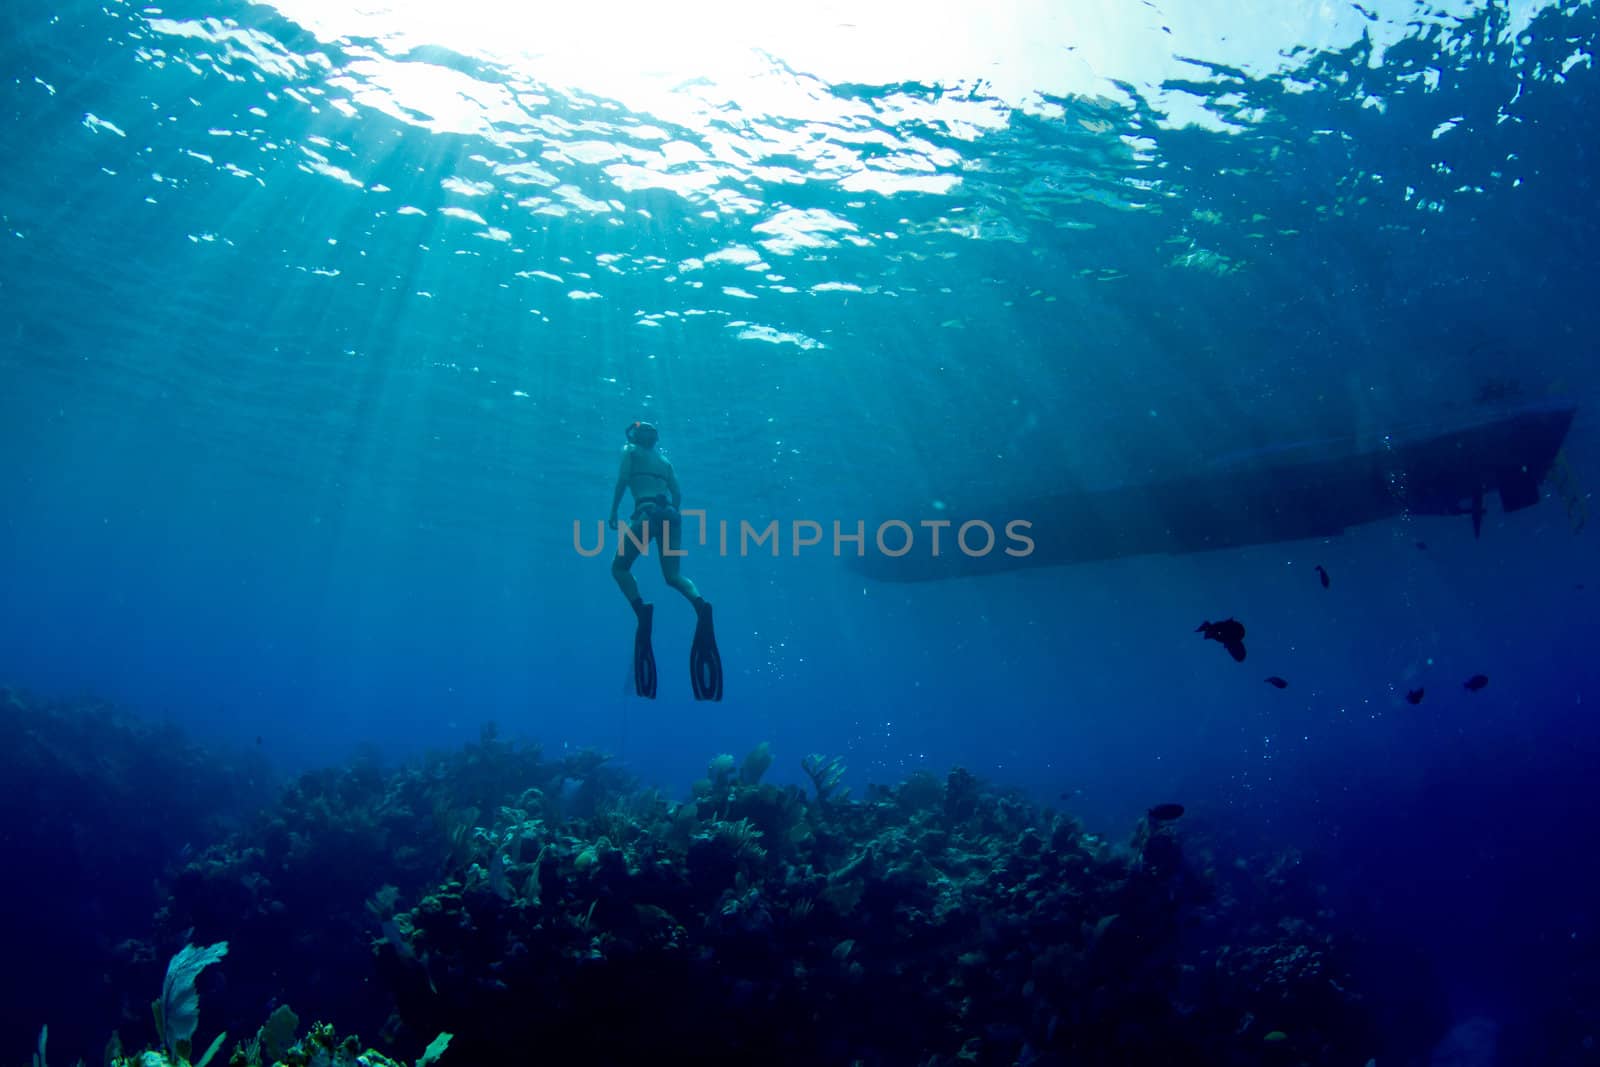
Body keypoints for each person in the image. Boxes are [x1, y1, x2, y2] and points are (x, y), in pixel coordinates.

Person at [607, 420, 722, 700]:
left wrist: (613, 512)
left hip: (646, 513)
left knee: (619, 567)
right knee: (673, 576)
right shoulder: (666, 461)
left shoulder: (630, 450)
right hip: (671, 515)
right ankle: (700, 604)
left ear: (635, 435)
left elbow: (623, 479)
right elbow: (679, 494)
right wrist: (670, 513)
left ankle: (642, 610)